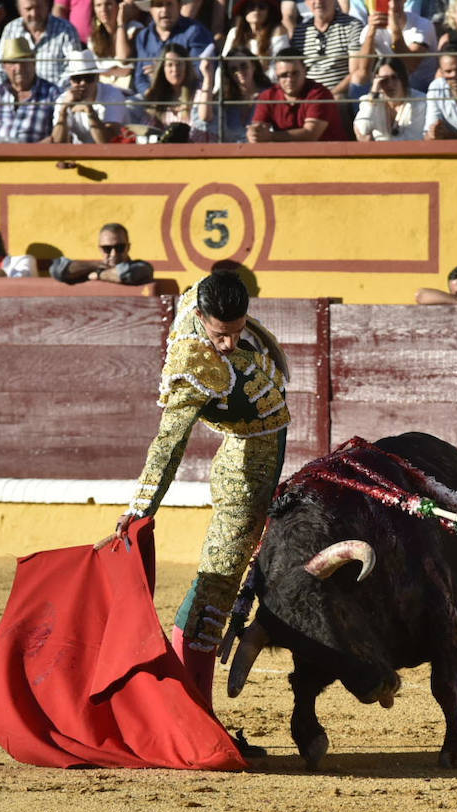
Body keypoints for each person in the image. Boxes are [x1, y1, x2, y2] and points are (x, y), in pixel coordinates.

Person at [102, 270, 290, 718]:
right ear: (201, 317)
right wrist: (141, 507)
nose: (228, 344)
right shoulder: (194, 359)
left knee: (227, 571)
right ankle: (193, 715)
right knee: (221, 577)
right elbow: (170, 440)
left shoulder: (201, 299)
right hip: (249, 463)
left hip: (250, 449)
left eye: (237, 330)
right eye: (220, 334)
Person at [247, 48, 349, 141]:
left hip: (329, 156)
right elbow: (258, 130)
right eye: (284, 75)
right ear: (276, 76)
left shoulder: (319, 94)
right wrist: (254, 134)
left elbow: (310, 134)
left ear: (305, 71)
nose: (290, 80)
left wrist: (270, 136)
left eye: (295, 73)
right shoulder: (268, 96)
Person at [124, 0, 214, 96]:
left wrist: (162, 73)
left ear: (179, 6)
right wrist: (152, 96)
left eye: (169, 4)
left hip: (188, 97)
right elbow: (140, 78)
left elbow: (201, 73)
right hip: (152, 97)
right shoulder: (144, 36)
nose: (164, 9)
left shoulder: (195, 32)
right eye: (159, 5)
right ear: (150, 9)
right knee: (130, 106)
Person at [0, 36, 61, 142]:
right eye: (13, 62)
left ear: (34, 62)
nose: (19, 68)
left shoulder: (53, 94)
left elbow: (59, 136)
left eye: (24, 61)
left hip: (37, 156)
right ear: (4, 66)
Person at [0, 0, 84, 90]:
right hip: (18, 98)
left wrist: (54, 95)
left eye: (38, 7)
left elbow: (74, 68)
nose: (34, 14)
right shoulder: (11, 29)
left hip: (58, 97)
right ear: (19, 10)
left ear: (47, 6)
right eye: (28, 9)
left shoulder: (66, 29)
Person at [50, 48, 131, 142]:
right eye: (77, 78)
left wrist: (89, 111)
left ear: (97, 78)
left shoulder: (112, 95)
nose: (83, 83)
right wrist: (63, 111)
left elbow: (108, 143)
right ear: (71, 81)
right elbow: (57, 142)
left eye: (88, 78)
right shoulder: (64, 99)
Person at [136, 42, 210, 141]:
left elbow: (203, 123)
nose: (175, 69)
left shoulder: (199, 91)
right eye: (170, 65)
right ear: (163, 68)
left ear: (186, 66)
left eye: (179, 64)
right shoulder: (157, 96)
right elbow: (146, 129)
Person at [357, 2, 437, 93]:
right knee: (357, 81)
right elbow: (364, 70)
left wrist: (395, 31)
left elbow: (410, 66)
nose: (392, 5)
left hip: (421, 88)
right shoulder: (369, 29)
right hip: (389, 87)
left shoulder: (423, 25)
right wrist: (371, 33)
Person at [290, 0, 363, 96]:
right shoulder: (300, 31)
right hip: (308, 97)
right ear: (307, 2)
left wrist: (328, 96)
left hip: (339, 95)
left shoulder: (352, 26)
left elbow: (355, 71)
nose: (318, 2)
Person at [48, 222, 155, 284]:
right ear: (100, 249)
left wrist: (98, 274)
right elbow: (58, 269)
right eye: (107, 249)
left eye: (119, 247)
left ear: (128, 247)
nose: (113, 254)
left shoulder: (141, 267)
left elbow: (127, 273)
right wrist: (96, 266)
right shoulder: (89, 270)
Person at [353, 55, 428, 140]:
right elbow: (362, 130)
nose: (390, 84)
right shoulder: (370, 100)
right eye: (384, 80)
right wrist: (373, 96)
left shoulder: (420, 101)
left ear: (403, 78)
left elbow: (412, 139)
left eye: (394, 78)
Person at [221, 0, 289, 80]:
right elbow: (224, 64)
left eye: (262, 6)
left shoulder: (278, 32)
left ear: (269, 11)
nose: (256, 10)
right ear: (244, 11)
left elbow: (279, 68)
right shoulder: (234, 33)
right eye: (251, 6)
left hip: (266, 86)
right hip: (236, 85)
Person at [215, 49, 271, 141]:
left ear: (253, 66)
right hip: (231, 152)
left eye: (243, 66)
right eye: (233, 69)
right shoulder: (225, 100)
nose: (239, 71)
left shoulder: (270, 95)